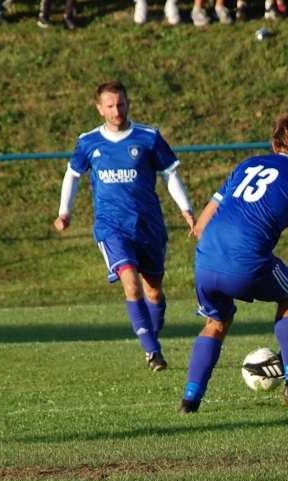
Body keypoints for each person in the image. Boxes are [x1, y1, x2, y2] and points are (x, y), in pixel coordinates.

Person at [179, 116, 288, 413]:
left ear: (274, 144)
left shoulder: (247, 166)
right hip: (246, 261)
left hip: (206, 257)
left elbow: (200, 227)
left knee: (216, 322)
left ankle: (190, 400)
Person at [54, 81, 195, 373]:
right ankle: (153, 353)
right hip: (111, 227)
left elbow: (170, 175)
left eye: (120, 104)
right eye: (109, 106)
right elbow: (72, 175)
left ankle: (151, 336)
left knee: (153, 292)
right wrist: (64, 212)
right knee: (130, 284)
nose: (116, 111)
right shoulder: (89, 142)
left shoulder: (149, 137)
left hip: (149, 226)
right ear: (99, 108)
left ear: (128, 103)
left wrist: (187, 211)